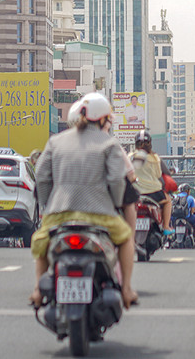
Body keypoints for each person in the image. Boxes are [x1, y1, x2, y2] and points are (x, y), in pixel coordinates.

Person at [30, 93, 137, 309]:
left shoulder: (55, 142)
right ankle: (126, 289)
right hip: (100, 214)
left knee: (42, 242)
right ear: (102, 119)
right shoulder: (109, 144)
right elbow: (117, 180)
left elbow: (41, 177)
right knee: (126, 239)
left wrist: (48, 205)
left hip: (58, 214)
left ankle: (37, 291)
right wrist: (114, 204)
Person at [123, 129, 174, 237]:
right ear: (150, 143)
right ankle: (166, 226)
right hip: (154, 193)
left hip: (135, 193)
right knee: (168, 200)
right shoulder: (155, 158)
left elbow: (124, 173)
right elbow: (161, 174)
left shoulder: (130, 157)